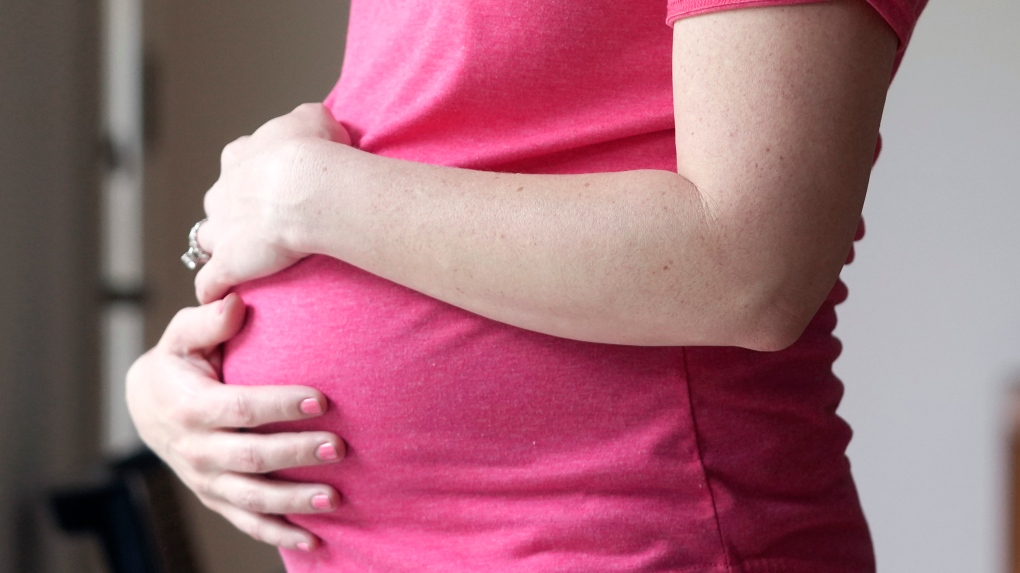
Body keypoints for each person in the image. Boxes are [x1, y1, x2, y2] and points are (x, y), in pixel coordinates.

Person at [127, 0, 927, 570]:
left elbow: (751, 263)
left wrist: (309, 195)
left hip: (638, 535)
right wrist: (197, 363)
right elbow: (436, 138)